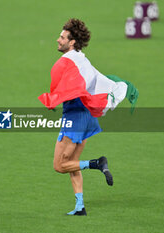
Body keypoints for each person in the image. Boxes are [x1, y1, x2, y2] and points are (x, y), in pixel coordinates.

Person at [38, 19, 138, 216]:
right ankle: (80, 206)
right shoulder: (83, 60)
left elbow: (71, 87)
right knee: (72, 163)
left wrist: (54, 99)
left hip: (75, 117)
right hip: (87, 117)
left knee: (59, 165)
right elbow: (88, 83)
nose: (58, 40)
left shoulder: (69, 62)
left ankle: (97, 163)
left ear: (72, 42)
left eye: (62, 37)